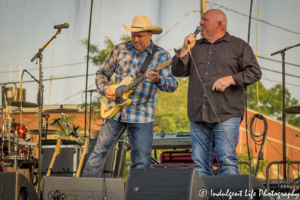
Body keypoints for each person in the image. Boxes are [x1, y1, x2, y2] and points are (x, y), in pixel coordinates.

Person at [83, 15, 178, 177]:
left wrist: (158, 79)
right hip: (114, 113)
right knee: (98, 153)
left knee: (141, 161)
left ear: (150, 35)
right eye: (133, 35)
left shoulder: (162, 56)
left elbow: (172, 84)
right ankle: (84, 191)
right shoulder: (120, 49)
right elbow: (102, 73)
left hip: (142, 116)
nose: (135, 39)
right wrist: (105, 89)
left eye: (140, 36)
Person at [171, 9, 261, 176]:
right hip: (198, 114)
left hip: (226, 113)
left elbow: (255, 72)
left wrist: (231, 79)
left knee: (226, 159)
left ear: (219, 24)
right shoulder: (194, 46)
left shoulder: (238, 45)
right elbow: (177, 71)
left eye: (205, 20)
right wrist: (184, 49)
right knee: (200, 165)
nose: (201, 23)